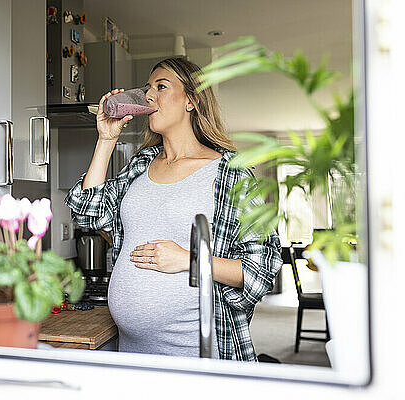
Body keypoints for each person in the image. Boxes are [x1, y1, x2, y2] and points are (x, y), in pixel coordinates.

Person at [63, 57, 282, 361]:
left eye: (161, 87)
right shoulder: (141, 165)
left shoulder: (230, 174)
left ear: (191, 100)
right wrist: (106, 140)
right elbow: (87, 211)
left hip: (196, 352)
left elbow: (262, 269)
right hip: (133, 353)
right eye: (147, 89)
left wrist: (189, 260)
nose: (149, 96)